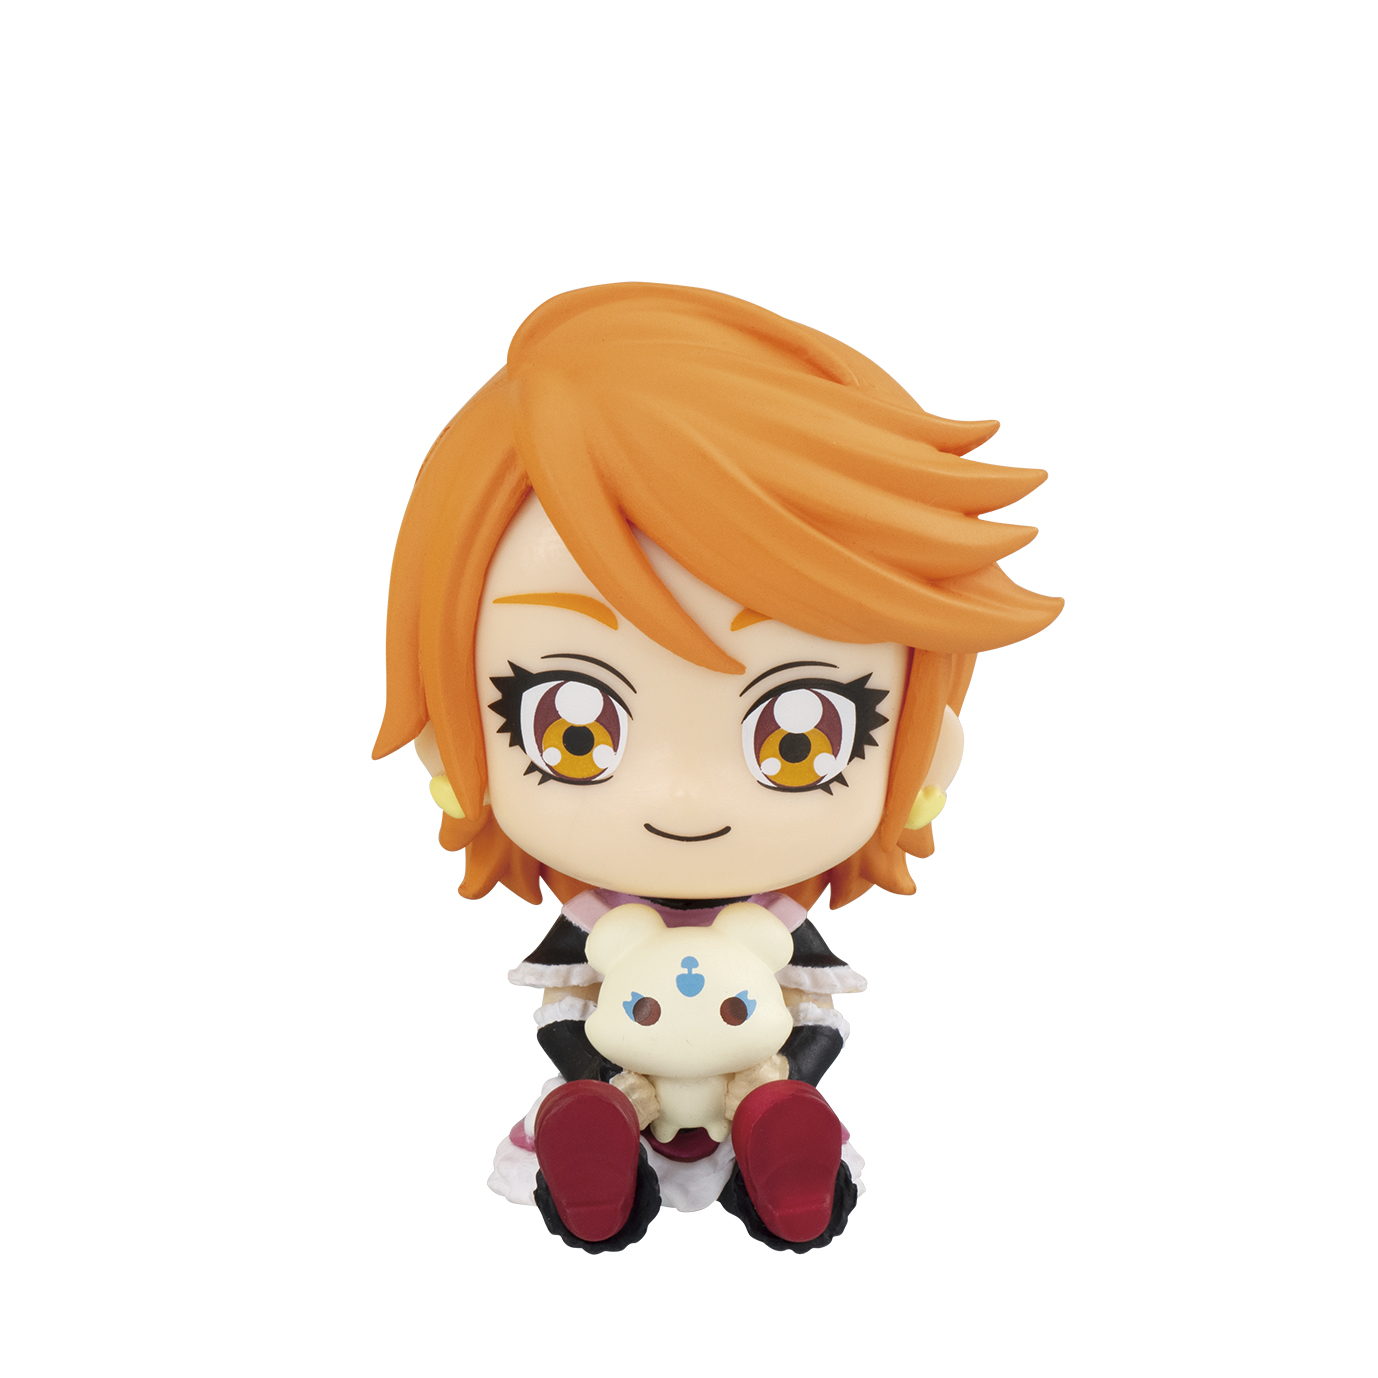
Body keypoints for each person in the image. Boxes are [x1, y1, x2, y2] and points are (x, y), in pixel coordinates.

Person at [373, 283, 1062, 1252]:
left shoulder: (772, 927)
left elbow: (818, 1018)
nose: (683, 798)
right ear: (451, 746)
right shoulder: (597, 925)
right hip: (624, 1094)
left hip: (753, 1095)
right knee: (587, 1133)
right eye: (575, 729)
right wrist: (606, 1081)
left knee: (779, 1135)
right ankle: (597, 1167)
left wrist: (778, 1082)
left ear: (927, 753)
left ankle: (782, 1167)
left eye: (797, 735)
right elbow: (561, 1015)